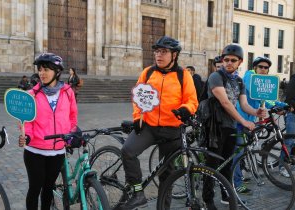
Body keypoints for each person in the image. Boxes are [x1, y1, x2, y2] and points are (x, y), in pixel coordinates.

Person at [119, 36, 198, 210]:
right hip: (149, 127)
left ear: (174, 55)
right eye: (157, 51)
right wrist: (137, 117)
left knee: (167, 174)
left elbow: (192, 100)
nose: (159, 55)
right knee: (128, 151)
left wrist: (186, 109)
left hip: (172, 130)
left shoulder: (183, 75)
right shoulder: (147, 72)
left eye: (164, 52)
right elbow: (138, 98)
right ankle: (138, 193)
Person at [202, 44, 266, 209]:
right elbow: (225, 102)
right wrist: (244, 122)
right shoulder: (216, 77)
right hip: (214, 127)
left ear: (240, 62)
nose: (229, 63)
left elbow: (243, 104)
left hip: (229, 126)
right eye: (226, 59)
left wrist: (256, 112)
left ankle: (226, 196)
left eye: (233, 60)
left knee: (227, 164)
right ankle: (207, 199)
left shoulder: (238, 81)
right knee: (212, 165)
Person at [18, 53, 78, 210]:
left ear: (57, 72)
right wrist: (28, 136)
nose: (42, 73)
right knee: (35, 189)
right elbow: (25, 121)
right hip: (35, 151)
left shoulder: (67, 92)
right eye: (40, 69)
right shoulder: (32, 94)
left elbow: (72, 116)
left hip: (57, 151)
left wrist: (70, 134)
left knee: (48, 189)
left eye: (46, 69)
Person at [234, 56, 287, 193]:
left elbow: (266, 98)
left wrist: (281, 105)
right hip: (240, 119)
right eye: (260, 67)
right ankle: (236, 183)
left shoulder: (261, 82)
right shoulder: (249, 77)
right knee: (237, 152)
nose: (263, 70)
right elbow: (256, 93)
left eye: (266, 68)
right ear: (255, 68)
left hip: (249, 120)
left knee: (244, 150)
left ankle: (239, 174)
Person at [282, 73, 295, 177]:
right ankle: (283, 167)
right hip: (292, 114)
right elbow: (289, 97)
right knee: (289, 141)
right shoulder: (294, 79)